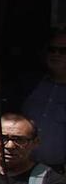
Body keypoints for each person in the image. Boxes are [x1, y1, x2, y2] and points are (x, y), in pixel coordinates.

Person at [20, 26, 66, 169]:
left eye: (63, 51)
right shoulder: (28, 83)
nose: (56, 54)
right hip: (21, 168)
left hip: (59, 173)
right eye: (52, 49)